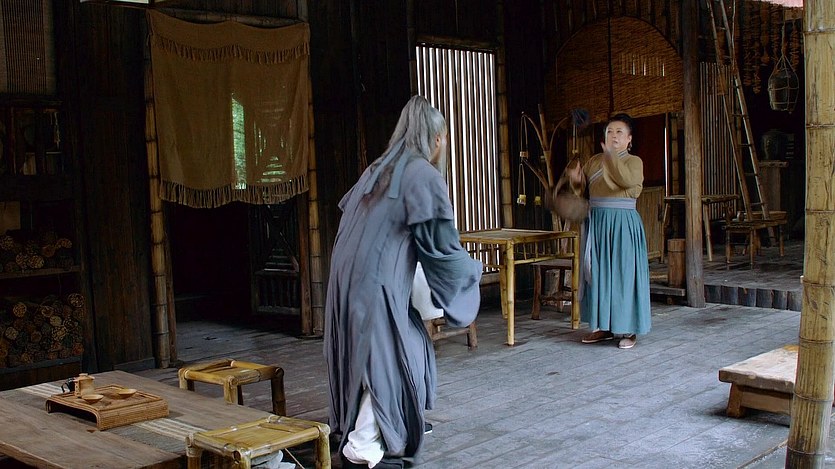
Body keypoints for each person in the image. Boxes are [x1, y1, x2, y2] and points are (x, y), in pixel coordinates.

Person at [324, 95, 483, 469]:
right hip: (375, 283)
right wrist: (470, 270)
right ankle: (363, 442)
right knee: (398, 352)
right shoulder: (422, 173)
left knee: (403, 342)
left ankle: (390, 422)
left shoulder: (377, 168)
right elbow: (440, 245)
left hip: (344, 276)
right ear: (437, 138)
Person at [568, 113, 651, 349]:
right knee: (599, 274)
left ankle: (629, 330)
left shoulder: (634, 162)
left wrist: (611, 157)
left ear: (629, 139)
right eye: (609, 132)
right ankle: (603, 326)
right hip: (598, 223)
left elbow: (624, 181)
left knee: (623, 275)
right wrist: (576, 180)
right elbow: (583, 191)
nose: (613, 136)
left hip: (622, 224)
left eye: (619, 132)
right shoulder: (594, 161)